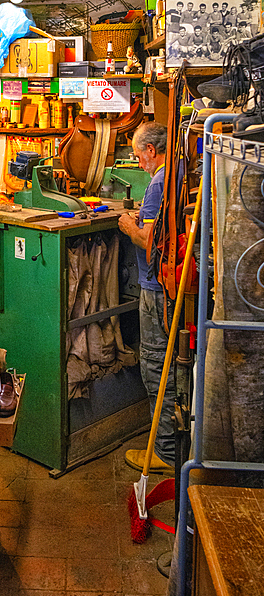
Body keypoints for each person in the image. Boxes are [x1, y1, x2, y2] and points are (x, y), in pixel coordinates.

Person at [117, 122, 175, 474]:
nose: (139, 162)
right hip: (166, 287)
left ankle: (165, 453)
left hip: (155, 289)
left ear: (152, 150)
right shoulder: (177, 174)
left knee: (155, 366)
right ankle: (172, 444)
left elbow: (150, 242)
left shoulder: (157, 183)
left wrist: (128, 225)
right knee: (169, 366)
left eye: (139, 155)